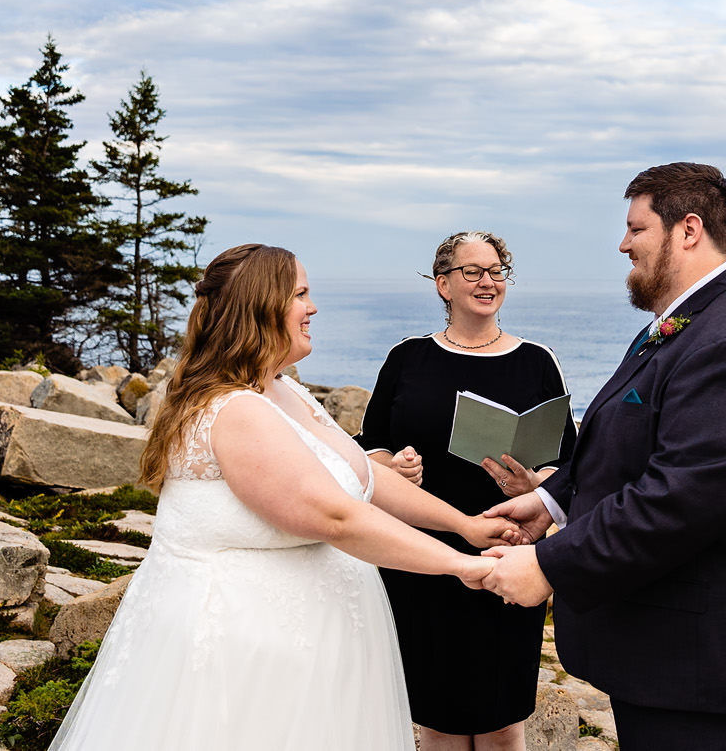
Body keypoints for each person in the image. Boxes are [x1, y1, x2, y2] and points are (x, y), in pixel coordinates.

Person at [49, 243, 516, 751]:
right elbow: (336, 516)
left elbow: (365, 479)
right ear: (261, 306)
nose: (312, 307)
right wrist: (460, 565)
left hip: (316, 649)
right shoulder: (235, 410)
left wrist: (464, 525)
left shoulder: (282, 389)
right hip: (247, 658)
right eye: (300, 294)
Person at [479, 163, 726, 751]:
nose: (623, 244)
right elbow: (640, 437)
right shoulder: (703, 315)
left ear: (687, 229)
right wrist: (553, 500)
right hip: (688, 660)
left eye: (636, 228)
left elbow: (678, 499)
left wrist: (549, 565)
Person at [358, 231, 578, 751]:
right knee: (438, 719)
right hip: (424, 554)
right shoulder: (408, 358)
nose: (488, 281)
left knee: (504, 721)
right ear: (443, 285)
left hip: (509, 550)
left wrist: (536, 484)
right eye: (473, 271)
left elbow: (570, 465)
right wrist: (397, 466)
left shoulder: (537, 361)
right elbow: (369, 446)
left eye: (497, 270)